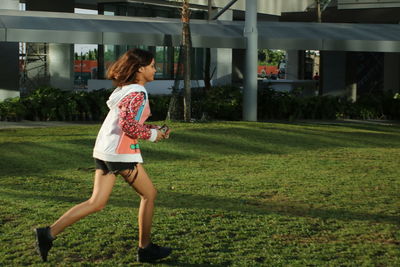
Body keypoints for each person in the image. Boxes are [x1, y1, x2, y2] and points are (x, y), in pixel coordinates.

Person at [34, 48, 172, 263]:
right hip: (119, 153)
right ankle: (145, 249)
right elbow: (129, 126)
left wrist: (155, 129)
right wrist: (154, 135)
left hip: (105, 149)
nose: (156, 69)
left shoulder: (125, 90)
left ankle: (47, 234)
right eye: (153, 65)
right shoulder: (137, 92)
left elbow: (128, 122)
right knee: (149, 195)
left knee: (97, 202)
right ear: (140, 69)